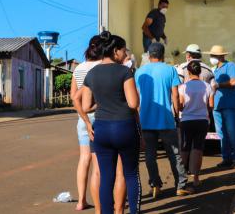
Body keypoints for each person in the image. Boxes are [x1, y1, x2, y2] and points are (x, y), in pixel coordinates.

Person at [82, 31, 141, 214]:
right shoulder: (125, 71)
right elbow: (133, 103)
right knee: (130, 174)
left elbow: (85, 106)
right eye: (123, 51)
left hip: (102, 129)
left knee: (106, 177)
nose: (125, 55)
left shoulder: (91, 73)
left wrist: (104, 101)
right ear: (115, 51)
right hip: (124, 127)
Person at [70, 36, 126, 213]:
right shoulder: (101, 68)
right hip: (102, 118)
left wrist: (84, 118)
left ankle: (81, 201)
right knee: (102, 169)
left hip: (82, 119)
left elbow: (74, 97)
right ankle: (108, 207)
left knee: (84, 160)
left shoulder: (78, 68)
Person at [135, 42, 192, 198]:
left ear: (148, 54)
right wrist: (177, 111)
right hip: (166, 118)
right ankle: (180, 185)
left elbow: (137, 97)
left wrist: (139, 115)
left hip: (145, 119)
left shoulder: (139, 72)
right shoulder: (170, 70)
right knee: (174, 153)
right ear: (162, 54)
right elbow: (175, 94)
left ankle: (155, 184)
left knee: (150, 155)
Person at [179, 60, 214, 187]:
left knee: (185, 148)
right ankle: (196, 178)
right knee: (198, 148)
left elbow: (181, 106)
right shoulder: (207, 86)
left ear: (188, 72)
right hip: (202, 121)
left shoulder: (183, 87)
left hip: (186, 121)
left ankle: (181, 178)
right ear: (200, 72)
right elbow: (211, 105)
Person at [208, 45, 235, 168]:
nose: (211, 57)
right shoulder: (215, 70)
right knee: (221, 133)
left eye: (213, 55)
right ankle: (226, 158)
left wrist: (218, 85)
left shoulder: (231, 66)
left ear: (221, 56)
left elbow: (234, 82)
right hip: (217, 106)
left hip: (229, 104)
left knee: (232, 132)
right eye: (211, 55)